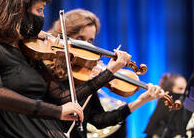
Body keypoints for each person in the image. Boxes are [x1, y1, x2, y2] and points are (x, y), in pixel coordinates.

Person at [0, 0, 132, 138]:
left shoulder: (27, 51)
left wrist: (108, 73)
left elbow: (63, 97)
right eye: (39, 10)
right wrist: (57, 112)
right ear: (19, 9)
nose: (42, 17)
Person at [47, 9, 166, 138]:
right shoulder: (48, 68)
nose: (86, 46)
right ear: (65, 34)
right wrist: (108, 73)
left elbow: (99, 120)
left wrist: (141, 100)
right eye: (80, 38)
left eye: (90, 41)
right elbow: (60, 99)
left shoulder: (86, 74)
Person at [144, 73, 192, 138]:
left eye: (186, 89)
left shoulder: (187, 106)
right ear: (170, 90)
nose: (185, 92)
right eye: (180, 89)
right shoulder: (164, 106)